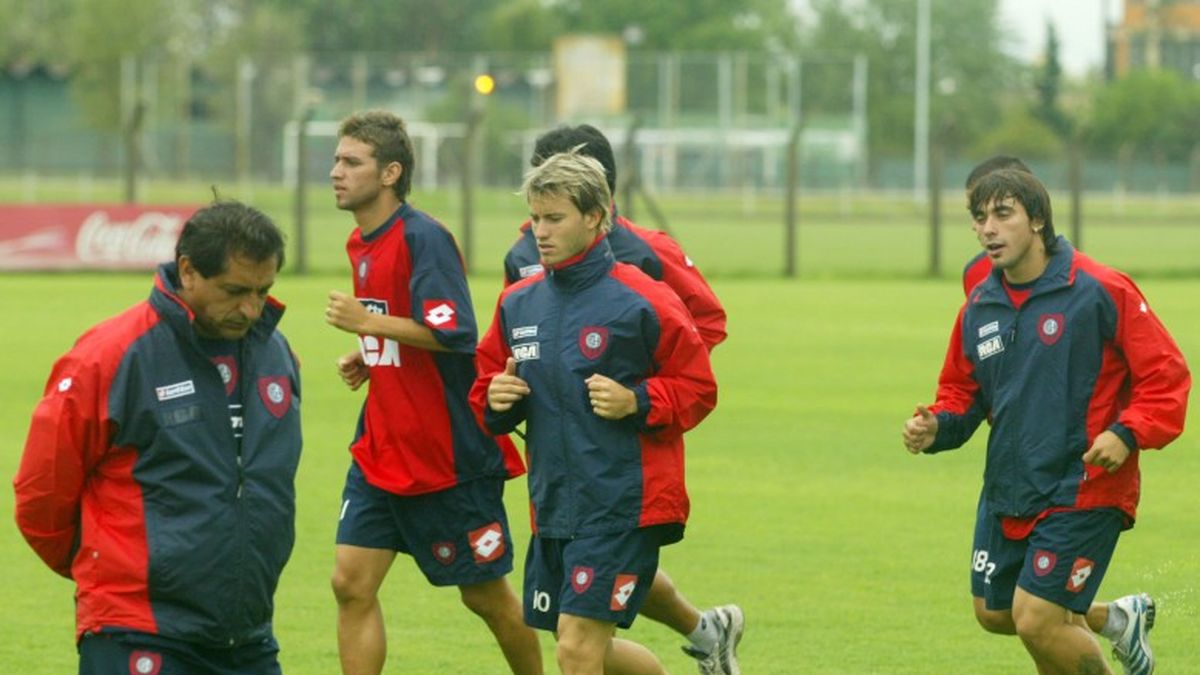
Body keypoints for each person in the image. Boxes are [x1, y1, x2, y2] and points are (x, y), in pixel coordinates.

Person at [903, 168, 1190, 674]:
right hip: (1010, 485)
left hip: (1083, 487)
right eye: (979, 218)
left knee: (1037, 619)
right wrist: (936, 427)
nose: (988, 228)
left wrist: (1126, 433)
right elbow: (962, 394)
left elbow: (1166, 377)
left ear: (1037, 219)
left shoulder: (1100, 289)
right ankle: (1120, 619)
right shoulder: (980, 305)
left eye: (1003, 214)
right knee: (996, 612)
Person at [14, 200, 301, 673]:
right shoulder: (110, 357)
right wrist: (109, 571)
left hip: (247, 635)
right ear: (188, 271)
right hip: (136, 631)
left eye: (262, 290)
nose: (250, 308)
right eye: (234, 291)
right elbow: (41, 494)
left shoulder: (275, 352)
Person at [503, 124, 742, 674]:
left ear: (598, 205)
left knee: (578, 643)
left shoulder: (646, 262)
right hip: (558, 483)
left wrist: (642, 395)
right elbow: (508, 363)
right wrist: (506, 398)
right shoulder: (521, 276)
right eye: (536, 214)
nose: (539, 229)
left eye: (553, 214)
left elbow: (701, 338)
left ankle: (706, 631)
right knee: (577, 637)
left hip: (625, 475)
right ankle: (708, 632)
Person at [325, 110, 540, 675]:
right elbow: (405, 323)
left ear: (390, 172)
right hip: (381, 447)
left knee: (486, 598)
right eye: (337, 160)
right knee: (350, 583)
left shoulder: (424, 238)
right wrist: (374, 359)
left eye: (352, 162)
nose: (336, 172)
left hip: (444, 456)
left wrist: (369, 328)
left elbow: (455, 335)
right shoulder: (360, 242)